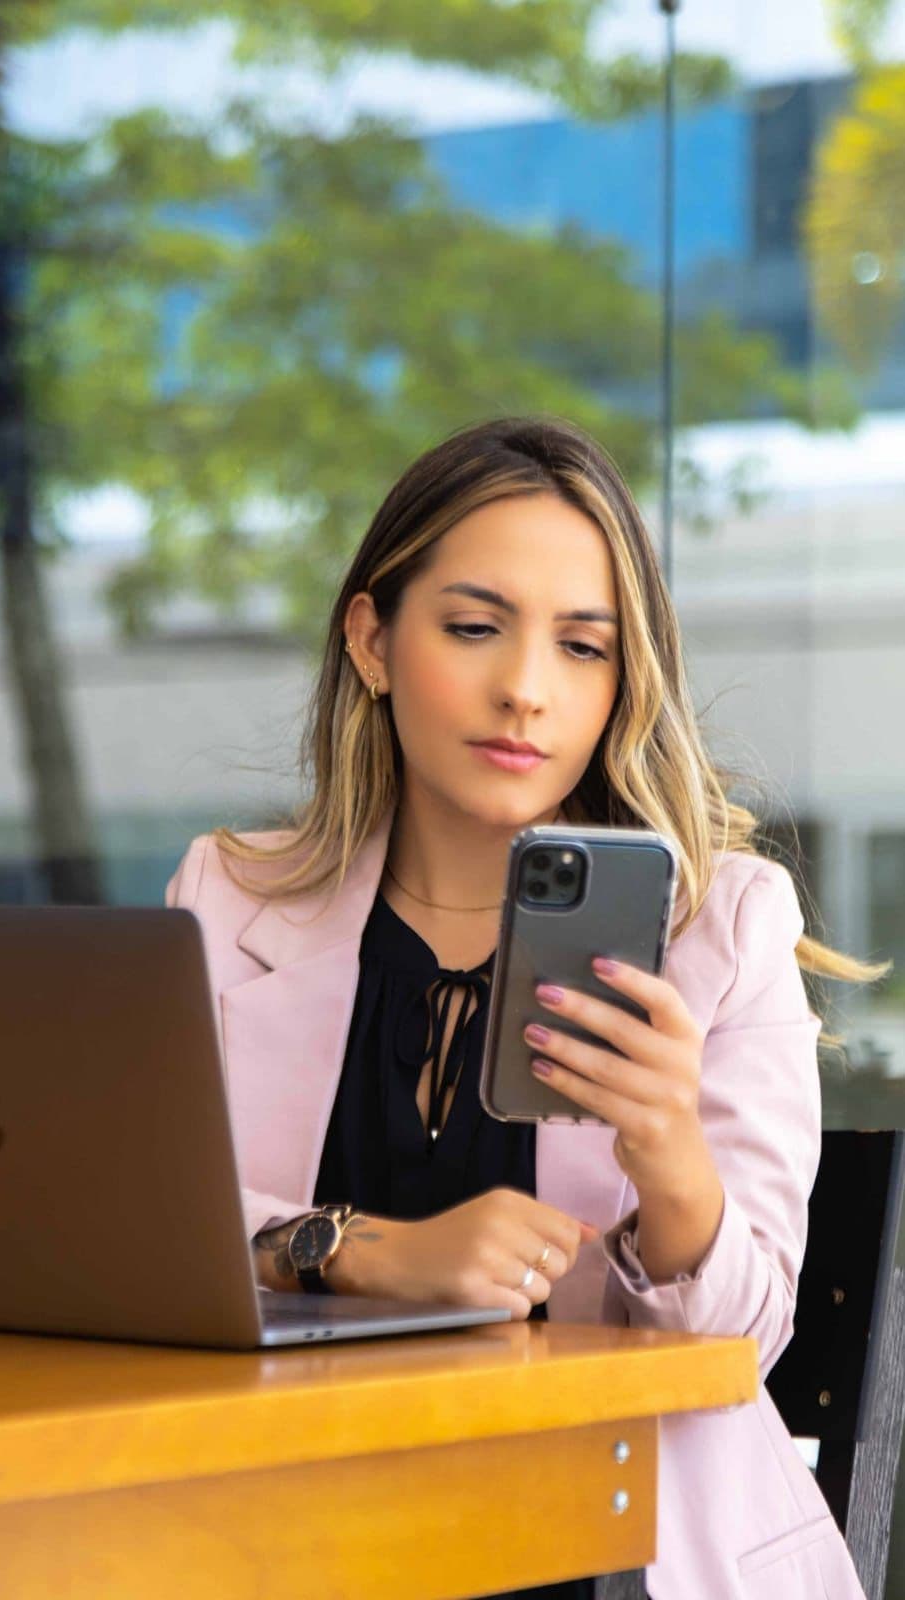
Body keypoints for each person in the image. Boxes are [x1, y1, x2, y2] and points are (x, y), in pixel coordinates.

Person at [166, 415, 887, 1600]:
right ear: (372, 639)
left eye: (583, 648)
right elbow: (136, 1233)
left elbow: (738, 1346)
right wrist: (358, 1252)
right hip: (281, 1530)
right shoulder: (229, 895)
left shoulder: (721, 927)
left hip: (607, 1552)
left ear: (624, 681)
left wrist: (667, 1155)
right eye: (472, 628)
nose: (524, 691)